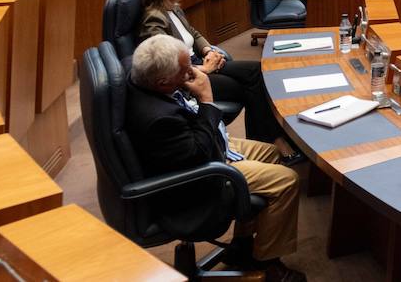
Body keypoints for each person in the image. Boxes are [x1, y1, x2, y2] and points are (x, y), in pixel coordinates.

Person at [124, 35, 303, 282]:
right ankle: (268, 264)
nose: (193, 71)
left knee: (271, 153)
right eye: (185, 69)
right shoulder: (158, 119)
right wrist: (206, 99)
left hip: (198, 148)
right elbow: (198, 152)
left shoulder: (145, 77)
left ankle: (242, 244)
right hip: (197, 177)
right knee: (288, 181)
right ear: (163, 81)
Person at [138, 0, 286, 144]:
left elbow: (192, 33)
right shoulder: (153, 19)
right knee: (250, 87)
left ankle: (268, 140)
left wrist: (209, 50)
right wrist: (205, 68)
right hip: (188, 74)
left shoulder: (173, 7)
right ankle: (271, 141)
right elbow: (166, 67)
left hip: (199, 61)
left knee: (257, 70)